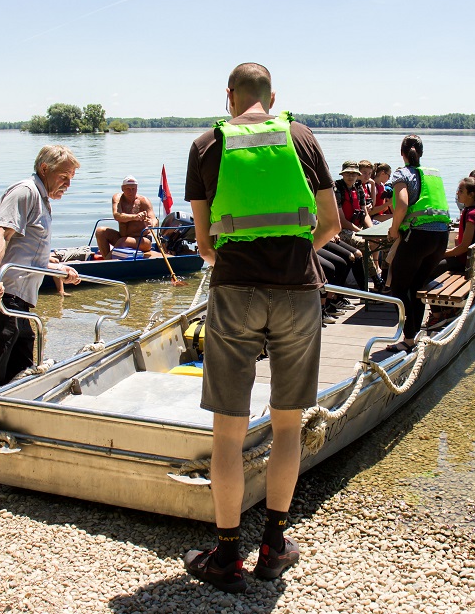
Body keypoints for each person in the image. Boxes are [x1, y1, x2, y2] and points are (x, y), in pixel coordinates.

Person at [183, 62, 339, 593]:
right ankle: (274, 546)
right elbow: (332, 224)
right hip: (298, 293)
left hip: (233, 295)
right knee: (288, 424)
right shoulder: (301, 137)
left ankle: (226, 557)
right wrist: (293, 256)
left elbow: (205, 244)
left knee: (228, 430)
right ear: (273, 97)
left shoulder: (207, 145)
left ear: (229, 97)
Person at [0, 145, 82, 483]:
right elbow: (1, 233)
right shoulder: (25, 192)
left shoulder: (44, 199)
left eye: (71, 178)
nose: (67, 183)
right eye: (63, 176)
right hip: (1, 297)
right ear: (44, 167)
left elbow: (29, 254)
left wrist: (58, 269)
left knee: (19, 373)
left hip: (21, 303)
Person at [384, 135, 451, 354]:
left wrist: (394, 230)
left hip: (418, 237)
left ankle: (409, 338)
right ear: (421, 153)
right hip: (440, 237)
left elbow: (402, 203)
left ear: (401, 153)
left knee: (399, 287)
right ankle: (414, 336)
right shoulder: (433, 174)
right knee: (417, 286)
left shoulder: (402, 174)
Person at [95, 176, 158, 257]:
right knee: (100, 231)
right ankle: (107, 260)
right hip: (123, 237)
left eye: (133, 189)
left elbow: (154, 219)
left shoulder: (143, 201)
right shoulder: (118, 198)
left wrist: (151, 224)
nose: (131, 191)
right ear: (122, 188)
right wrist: (135, 217)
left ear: (137, 188)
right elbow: (117, 216)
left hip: (143, 240)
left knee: (123, 242)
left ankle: (105, 263)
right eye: (128, 189)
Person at [333, 160, 372, 246]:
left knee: (377, 240)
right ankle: (367, 259)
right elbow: (342, 221)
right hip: (342, 229)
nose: (350, 177)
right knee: (364, 243)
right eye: (347, 174)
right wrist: (361, 232)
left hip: (358, 225)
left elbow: (365, 214)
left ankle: (377, 259)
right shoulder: (337, 189)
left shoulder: (358, 187)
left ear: (358, 175)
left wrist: (372, 230)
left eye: (353, 174)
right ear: (342, 174)